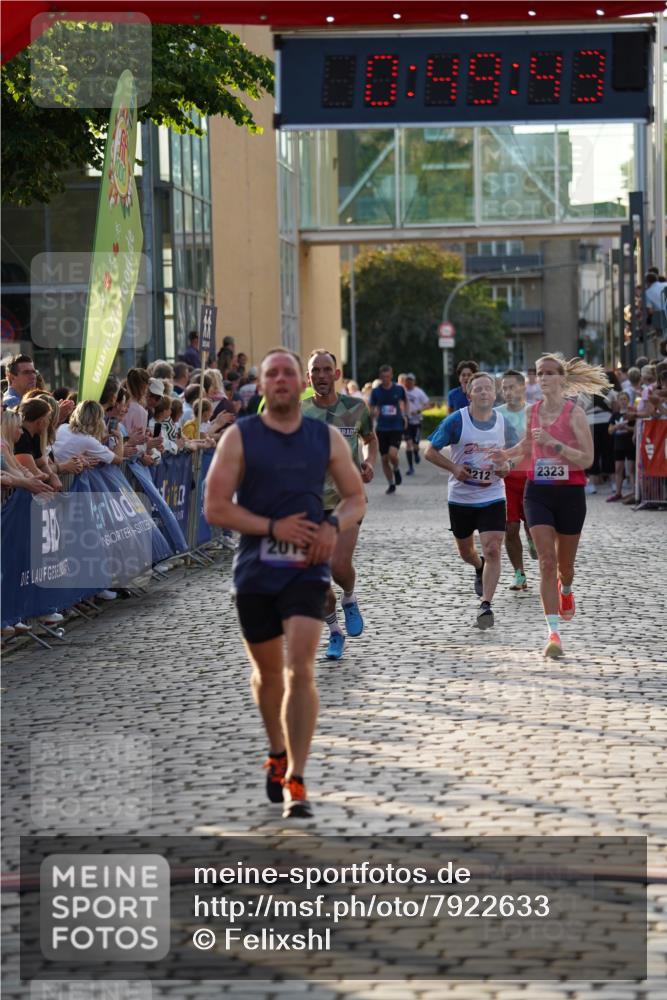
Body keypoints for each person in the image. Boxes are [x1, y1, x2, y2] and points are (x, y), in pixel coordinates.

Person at [204, 347, 365, 818]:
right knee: (268, 673)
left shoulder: (326, 437)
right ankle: (276, 751)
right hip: (256, 568)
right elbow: (215, 508)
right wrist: (273, 528)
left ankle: (296, 777)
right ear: (262, 384)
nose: (279, 380)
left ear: (301, 384)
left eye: (287, 373)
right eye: (270, 373)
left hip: (306, 567)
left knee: (301, 669)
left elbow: (355, 497)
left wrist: (332, 526)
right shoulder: (240, 437)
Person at [492, 354, 608, 659]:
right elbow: (527, 448)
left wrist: (556, 445)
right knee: (546, 561)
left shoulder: (575, 414)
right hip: (538, 491)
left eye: (548, 373)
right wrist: (505, 456)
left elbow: (587, 459)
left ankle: (566, 591)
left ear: (562, 378)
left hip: (570, 494)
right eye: (538, 373)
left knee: (564, 568)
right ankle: (553, 633)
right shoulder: (533, 412)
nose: (541, 378)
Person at [302, 349, 378, 660]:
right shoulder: (299, 412)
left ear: (336, 374)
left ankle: (349, 597)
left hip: (348, 499)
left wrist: (369, 462)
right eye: (314, 370)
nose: (320, 375)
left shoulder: (356, 408)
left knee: (339, 565)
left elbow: (369, 439)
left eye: (326, 370)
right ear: (309, 377)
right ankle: (334, 632)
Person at [425, 372, 513, 630]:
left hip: (493, 494)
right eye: (479, 389)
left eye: (488, 389)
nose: (484, 392)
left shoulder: (504, 423)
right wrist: (454, 468)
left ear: (494, 394)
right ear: (470, 394)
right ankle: (478, 566)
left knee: (493, 547)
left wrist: (508, 466)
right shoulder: (457, 421)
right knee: (466, 552)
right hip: (462, 498)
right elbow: (430, 451)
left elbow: (517, 452)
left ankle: (486, 604)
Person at [495, 370, 537, 592]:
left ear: (522, 387)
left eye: (512, 387)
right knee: (510, 528)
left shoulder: (533, 412)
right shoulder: (496, 415)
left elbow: (530, 445)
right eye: (504, 387)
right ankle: (519, 574)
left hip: (532, 477)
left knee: (532, 524)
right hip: (506, 480)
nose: (507, 391)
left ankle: (532, 539)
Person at [369, 365, 408, 494]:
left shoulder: (399, 389)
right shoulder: (376, 391)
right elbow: (371, 408)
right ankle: (391, 484)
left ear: (391, 376)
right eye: (383, 377)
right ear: (380, 377)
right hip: (382, 428)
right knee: (384, 459)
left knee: (392, 454)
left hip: (396, 426)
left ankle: (396, 468)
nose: (386, 379)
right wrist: (373, 415)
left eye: (388, 376)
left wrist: (405, 416)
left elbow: (405, 402)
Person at [53, 401, 124, 466]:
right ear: (98, 421)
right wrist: (120, 438)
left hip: (52, 470)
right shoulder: (87, 440)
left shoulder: (63, 427)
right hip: (60, 476)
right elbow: (118, 460)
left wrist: (101, 440)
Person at [607, 391, 636, 502]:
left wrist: (627, 428)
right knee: (618, 469)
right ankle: (618, 492)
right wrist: (616, 427)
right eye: (621, 399)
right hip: (618, 444)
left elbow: (636, 429)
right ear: (618, 401)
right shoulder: (615, 415)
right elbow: (609, 430)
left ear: (628, 400)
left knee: (631, 469)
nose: (623, 401)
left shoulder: (632, 414)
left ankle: (634, 492)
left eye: (625, 399)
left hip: (630, 444)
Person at [402, 372, 430, 475]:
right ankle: (410, 468)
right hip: (407, 421)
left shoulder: (419, 392)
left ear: (414, 382)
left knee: (415, 445)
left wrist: (418, 411)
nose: (409, 382)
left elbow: (427, 405)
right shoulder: (402, 391)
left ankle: (416, 452)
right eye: (407, 380)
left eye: (411, 380)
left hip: (417, 421)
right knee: (408, 444)